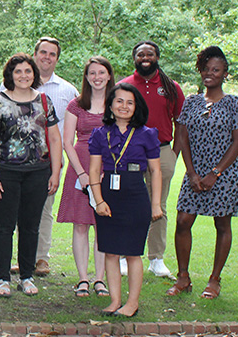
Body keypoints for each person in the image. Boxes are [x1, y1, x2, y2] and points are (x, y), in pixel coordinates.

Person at [165, 46, 238, 299]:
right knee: (183, 221)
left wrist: (215, 173)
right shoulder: (191, 102)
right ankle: (183, 277)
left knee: (221, 223)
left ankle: (214, 279)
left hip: (225, 173)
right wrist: (191, 173)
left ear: (225, 74)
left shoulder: (234, 103)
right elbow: (182, 137)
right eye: (206, 69)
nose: (210, 74)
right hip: (195, 172)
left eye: (216, 70)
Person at [0, 53, 61, 298]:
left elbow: (55, 139)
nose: (23, 76)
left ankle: (27, 276)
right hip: (4, 173)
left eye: (28, 71)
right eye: (18, 71)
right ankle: (2, 279)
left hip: (37, 173)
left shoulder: (44, 101)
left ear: (34, 74)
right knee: (3, 227)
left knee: (30, 227)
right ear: (10, 75)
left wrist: (55, 173)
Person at [1, 37, 78, 276]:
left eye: (52, 54)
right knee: (16, 210)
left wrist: (60, 161)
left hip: (48, 161)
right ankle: (22, 259)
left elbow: (71, 128)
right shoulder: (9, 87)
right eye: (43, 52)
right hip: (15, 161)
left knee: (42, 210)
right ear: (35, 55)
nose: (47, 57)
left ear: (57, 58)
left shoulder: (67, 90)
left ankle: (40, 258)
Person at [89, 82, 163, 317]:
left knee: (132, 252)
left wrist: (156, 204)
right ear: (110, 105)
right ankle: (115, 301)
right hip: (108, 195)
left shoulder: (147, 134)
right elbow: (94, 170)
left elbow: (155, 171)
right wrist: (99, 201)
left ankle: (132, 303)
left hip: (135, 194)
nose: (124, 106)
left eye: (130, 102)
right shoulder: (99, 134)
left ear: (136, 107)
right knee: (110, 251)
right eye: (119, 101)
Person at [117, 40, 184, 277]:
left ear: (157, 57)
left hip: (162, 151)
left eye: (150, 54)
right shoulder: (124, 85)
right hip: (130, 152)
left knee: (159, 206)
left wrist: (174, 154)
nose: (145, 58)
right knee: (128, 204)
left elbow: (180, 122)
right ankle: (125, 255)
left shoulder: (171, 87)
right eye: (140, 55)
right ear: (134, 58)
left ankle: (156, 258)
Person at [56, 56, 113, 297]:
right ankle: (82, 279)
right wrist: (81, 173)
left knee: (104, 224)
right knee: (80, 224)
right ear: (87, 77)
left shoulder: (117, 102)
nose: (97, 77)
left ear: (109, 75)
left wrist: (106, 171)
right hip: (80, 167)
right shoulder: (76, 104)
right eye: (92, 73)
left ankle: (100, 279)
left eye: (101, 72)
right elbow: (67, 142)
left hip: (109, 168)